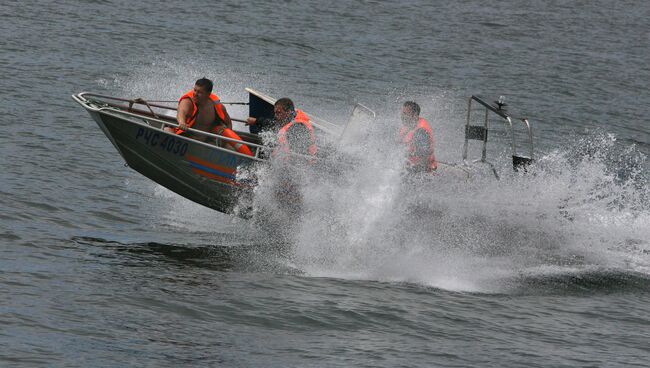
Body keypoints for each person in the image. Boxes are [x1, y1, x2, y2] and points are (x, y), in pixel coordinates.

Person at [165, 78, 232, 143]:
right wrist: (182, 122)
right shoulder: (188, 101)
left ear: (208, 94)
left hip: (205, 143)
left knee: (229, 147)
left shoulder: (217, 106)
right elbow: (181, 111)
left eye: (199, 92)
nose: (195, 94)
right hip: (185, 139)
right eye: (195, 90)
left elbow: (228, 123)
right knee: (166, 130)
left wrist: (226, 140)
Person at [246, 97, 317, 157]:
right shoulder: (287, 120)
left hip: (296, 165)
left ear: (288, 112)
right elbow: (273, 124)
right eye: (275, 112)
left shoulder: (298, 127)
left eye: (278, 112)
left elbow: (297, 153)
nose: (275, 116)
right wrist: (257, 121)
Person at [399, 101, 437, 172]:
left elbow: (423, 160)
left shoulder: (421, 132)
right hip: (410, 166)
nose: (401, 116)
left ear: (415, 115)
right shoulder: (407, 127)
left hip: (423, 172)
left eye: (405, 113)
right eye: (402, 113)